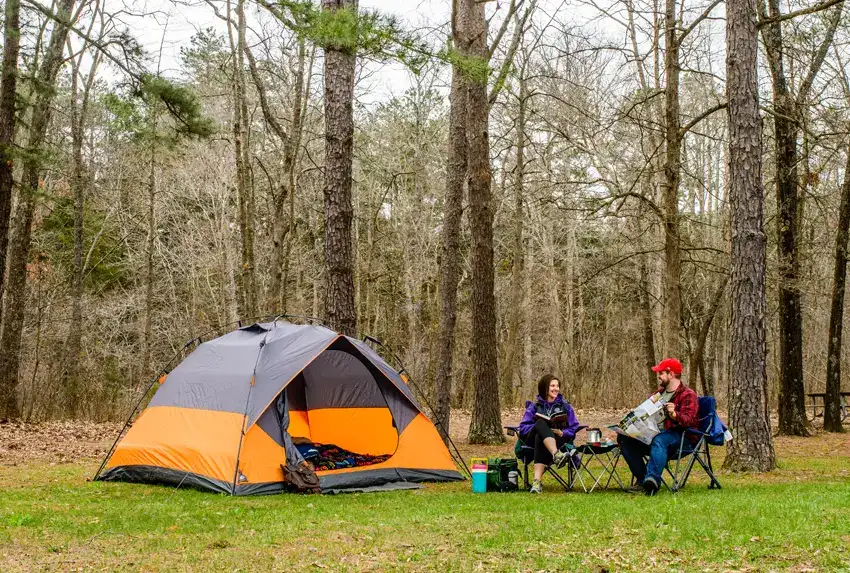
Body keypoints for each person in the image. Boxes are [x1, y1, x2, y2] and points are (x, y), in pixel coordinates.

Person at [617, 357, 699, 495]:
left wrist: (674, 415)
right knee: (624, 437)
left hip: (680, 437)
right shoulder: (656, 395)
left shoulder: (688, 395)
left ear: (671, 374)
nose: (658, 376)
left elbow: (690, 421)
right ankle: (643, 480)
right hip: (652, 434)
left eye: (661, 373)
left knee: (660, 439)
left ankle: (653, 480)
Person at [517, 374, 582, 494]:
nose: (556, 388)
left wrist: (562, 433)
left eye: (557, 386)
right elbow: (523, 428)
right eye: (552, 386)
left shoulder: (565, 407)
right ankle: (556, 455)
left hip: (558, 440)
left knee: (539, 438)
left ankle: (537, 483)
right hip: (530, 442)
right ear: (544, 387)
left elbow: (574, 427)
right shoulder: (534, 407)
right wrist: (539, 427)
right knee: (541, 424)